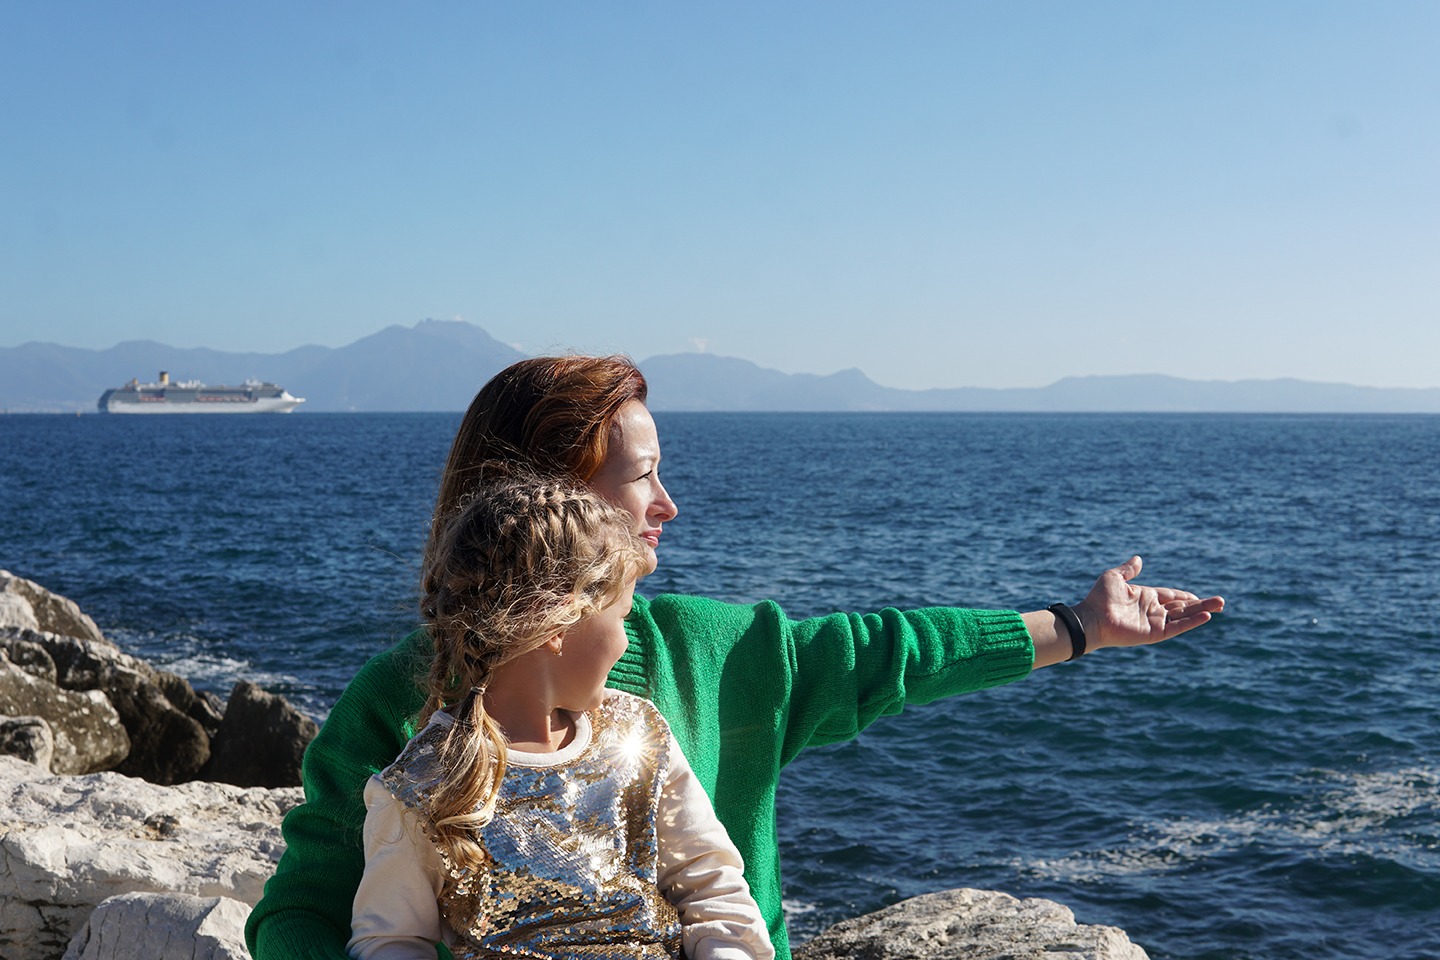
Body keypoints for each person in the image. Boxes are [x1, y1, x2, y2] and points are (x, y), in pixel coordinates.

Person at [247, 355, 1225, 960]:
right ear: (548, 503)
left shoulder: (706, 651)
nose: (668, 505)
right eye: (643, 477)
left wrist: (1080, 625)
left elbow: (889, 652)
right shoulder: (399, 710)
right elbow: (298, 920)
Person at [347, 470, 772, 960]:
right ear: (556, 623)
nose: (626, 642)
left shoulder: (638, 735)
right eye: (622, 617)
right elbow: (391, 940)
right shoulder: (424, 786)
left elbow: (712, 885)